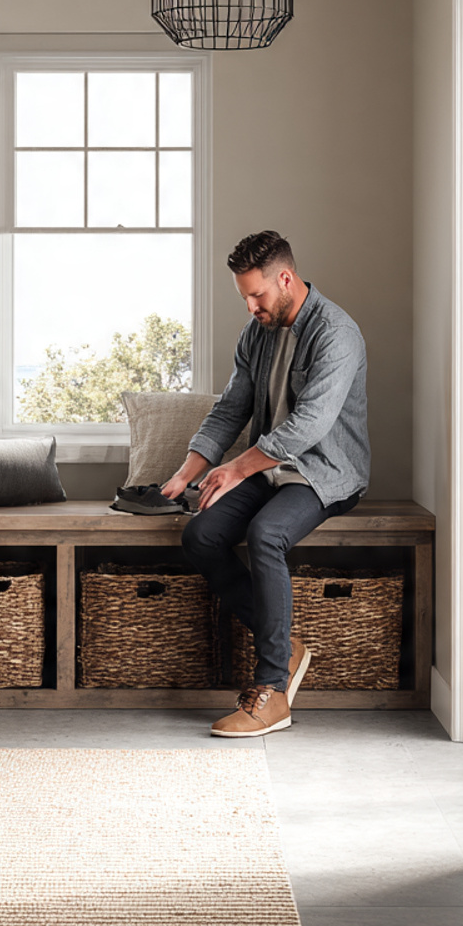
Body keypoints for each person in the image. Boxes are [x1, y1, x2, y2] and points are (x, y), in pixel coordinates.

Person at [162, 230, 369, 738]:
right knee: (200, 536)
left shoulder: (336, 333)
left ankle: (272, 691)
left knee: (265, 535)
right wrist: (185, 473)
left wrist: (234, 469)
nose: (251, 306)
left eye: (257, 294)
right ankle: (285, 646)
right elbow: (230, 408)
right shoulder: (256, 333)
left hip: (324, 472)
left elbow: (310, 425)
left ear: (285, 277)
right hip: (270, 469)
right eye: (244, 297)